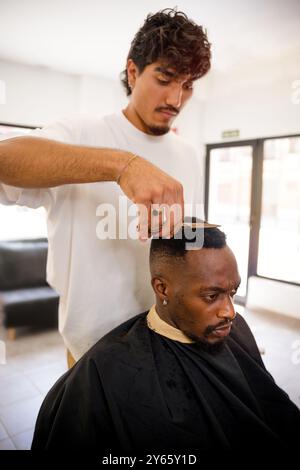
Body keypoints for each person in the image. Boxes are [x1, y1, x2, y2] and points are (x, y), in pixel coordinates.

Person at [0, 9, 211, 362]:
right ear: (133, 72)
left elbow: (192, 244)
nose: (176, 99)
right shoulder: (82, 133)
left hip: (167, 342)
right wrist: (122, 165)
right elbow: (5, 160)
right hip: (90, 351)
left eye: (187, 85)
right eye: (165, 78)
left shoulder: (189, 155)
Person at [31, 220, 300, 451]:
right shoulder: (104, 370)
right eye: (211, 296)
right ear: (162, 289)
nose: (229, 311)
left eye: (232, 292)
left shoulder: (236, 327)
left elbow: (272, 407)